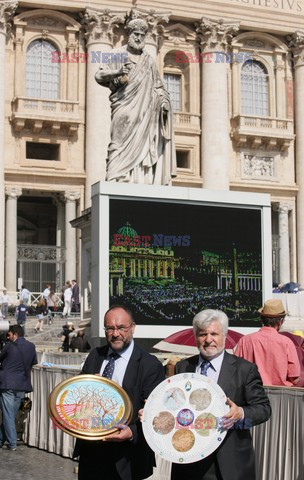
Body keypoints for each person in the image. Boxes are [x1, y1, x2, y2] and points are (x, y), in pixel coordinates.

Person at [170, 309, 271, 480]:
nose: (208, 340)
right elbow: (175, 407)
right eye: (203, 334)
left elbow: (264, 409)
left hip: (229, 464)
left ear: (224, 335)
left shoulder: (245, 369)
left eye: (214, 334)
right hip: (190, 463)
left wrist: (241, 413)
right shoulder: (183, 367)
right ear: (195, 337)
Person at [73, 304, 165, 480]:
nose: (115, 334)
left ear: (133, 328)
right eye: (110, 328)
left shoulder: (150, 365)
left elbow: (156, 414)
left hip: (129, 459)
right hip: (92, 455)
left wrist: (131, 433)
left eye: (121, 328)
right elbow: (78, 397)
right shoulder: (95, 356)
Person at [95, 18, 176, 185]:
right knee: (117, 143)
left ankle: (139, 179)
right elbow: (99, 76)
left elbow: (159, 87)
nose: (139, 38)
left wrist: (164, 101)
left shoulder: (149, 60)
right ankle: (114, 177)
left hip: (146, 113)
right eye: (135, 34)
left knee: (144, 147)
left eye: (141, 35)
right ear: (129, 35)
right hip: (124, 107)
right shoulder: (116, 54)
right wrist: (117, 72)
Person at [235, 299, 300, 386]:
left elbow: (234, 370)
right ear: (280, 321)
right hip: (279, 396)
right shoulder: (287, 343)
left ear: (262, 319)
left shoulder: (245, 341)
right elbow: (294, 378)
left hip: (251, 394)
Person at [0, 324, 37, 450]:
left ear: (15, 334)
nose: (8, 337)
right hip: (22, 384)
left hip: (7, 384)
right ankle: (1, 439)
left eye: (9, 335)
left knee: (8, 415)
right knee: (10, 414)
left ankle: (12, 443)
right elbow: (33, 362)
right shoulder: (31, 346)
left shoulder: (9, 346)